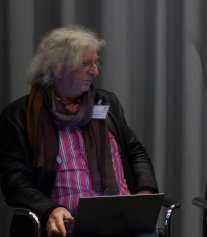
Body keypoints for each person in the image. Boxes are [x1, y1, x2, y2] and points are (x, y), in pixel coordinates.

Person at [0, 25, 158, 237]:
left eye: (95, 62)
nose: (95, 71)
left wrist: (145, 192)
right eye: (86, 64)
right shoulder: (19, 116)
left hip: (122, 222)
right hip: (66, 227)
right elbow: (15, 182)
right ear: (55, 68)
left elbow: (135, 151)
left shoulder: (105, 103)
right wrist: (49, 209)